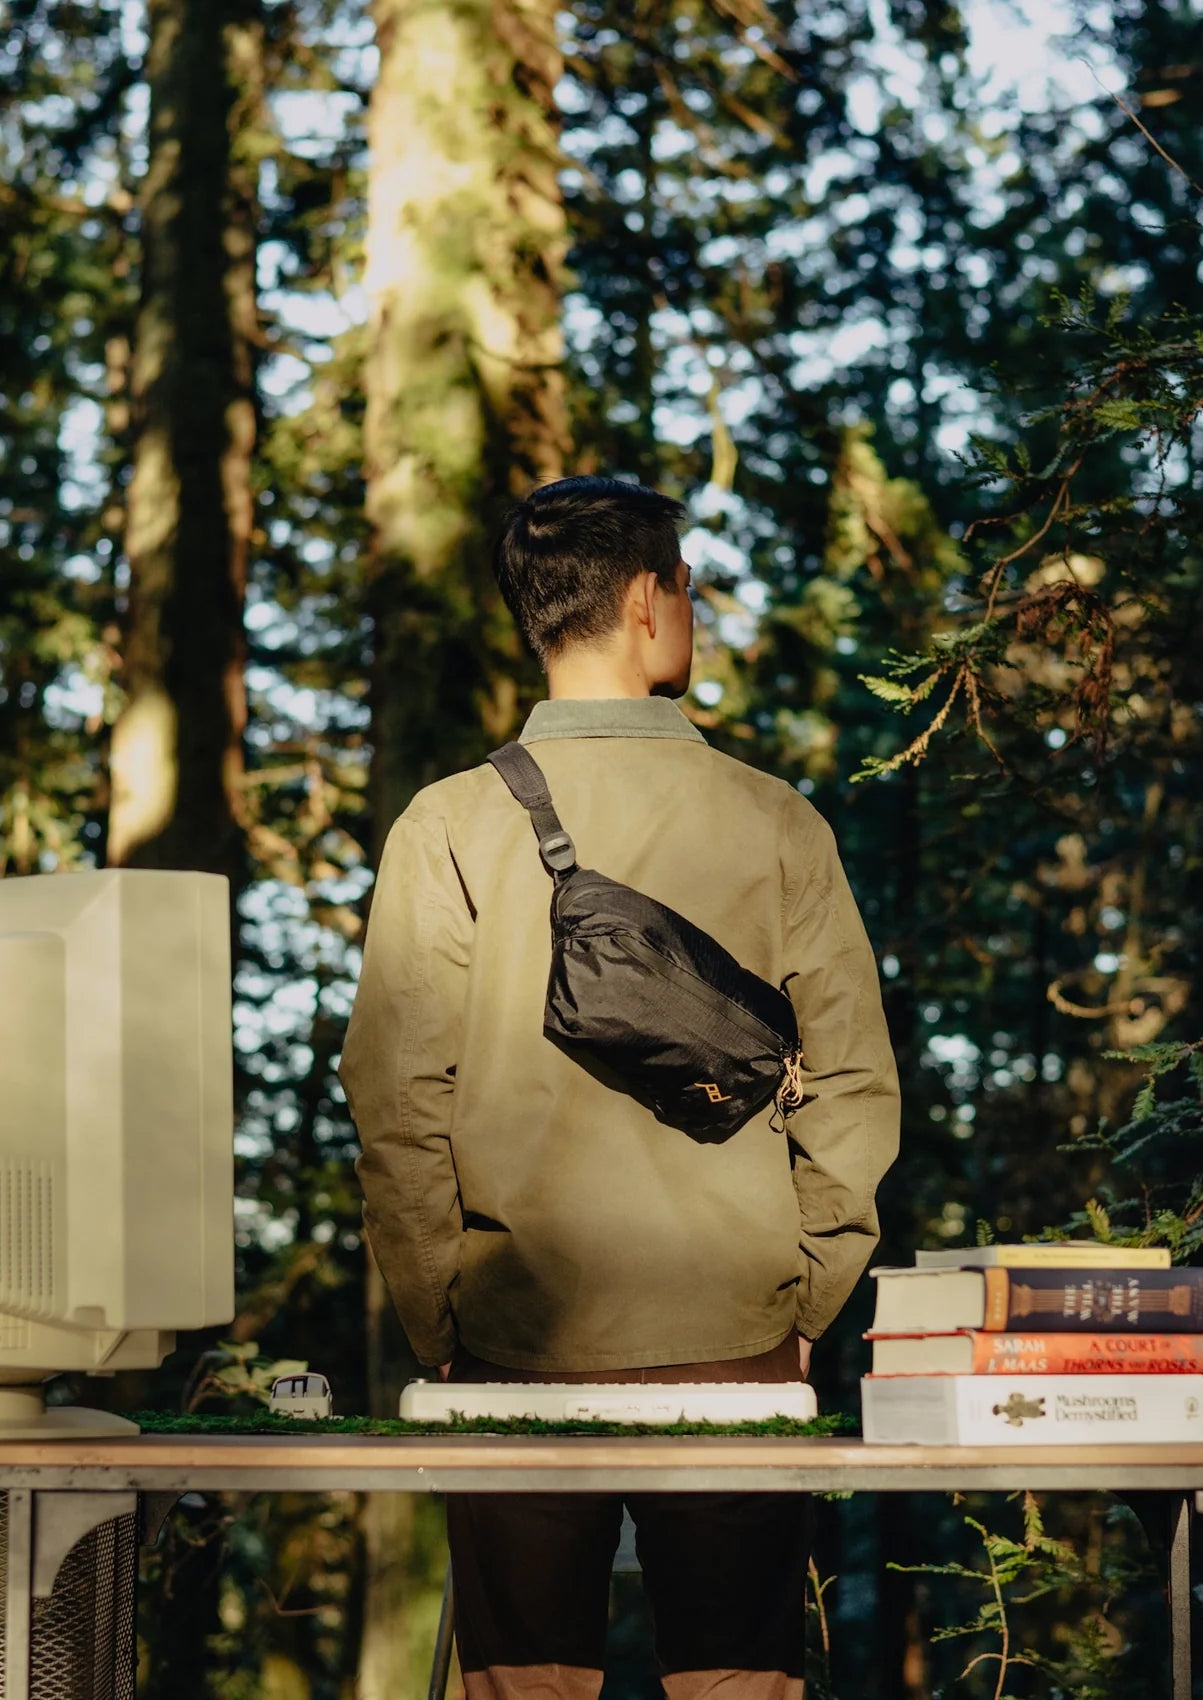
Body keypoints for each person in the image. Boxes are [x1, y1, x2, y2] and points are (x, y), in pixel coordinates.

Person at [340, 475, 901, 1700]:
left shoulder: (446, 823)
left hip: (515, 1343)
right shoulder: (773, 819)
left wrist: (444, 1315)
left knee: (522, 1685)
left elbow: (395, 1096)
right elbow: (851, 1081)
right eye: (688, 587)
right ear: (650, 600)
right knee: (738, 1683)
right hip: (735, 1337)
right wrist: (805, 1300)